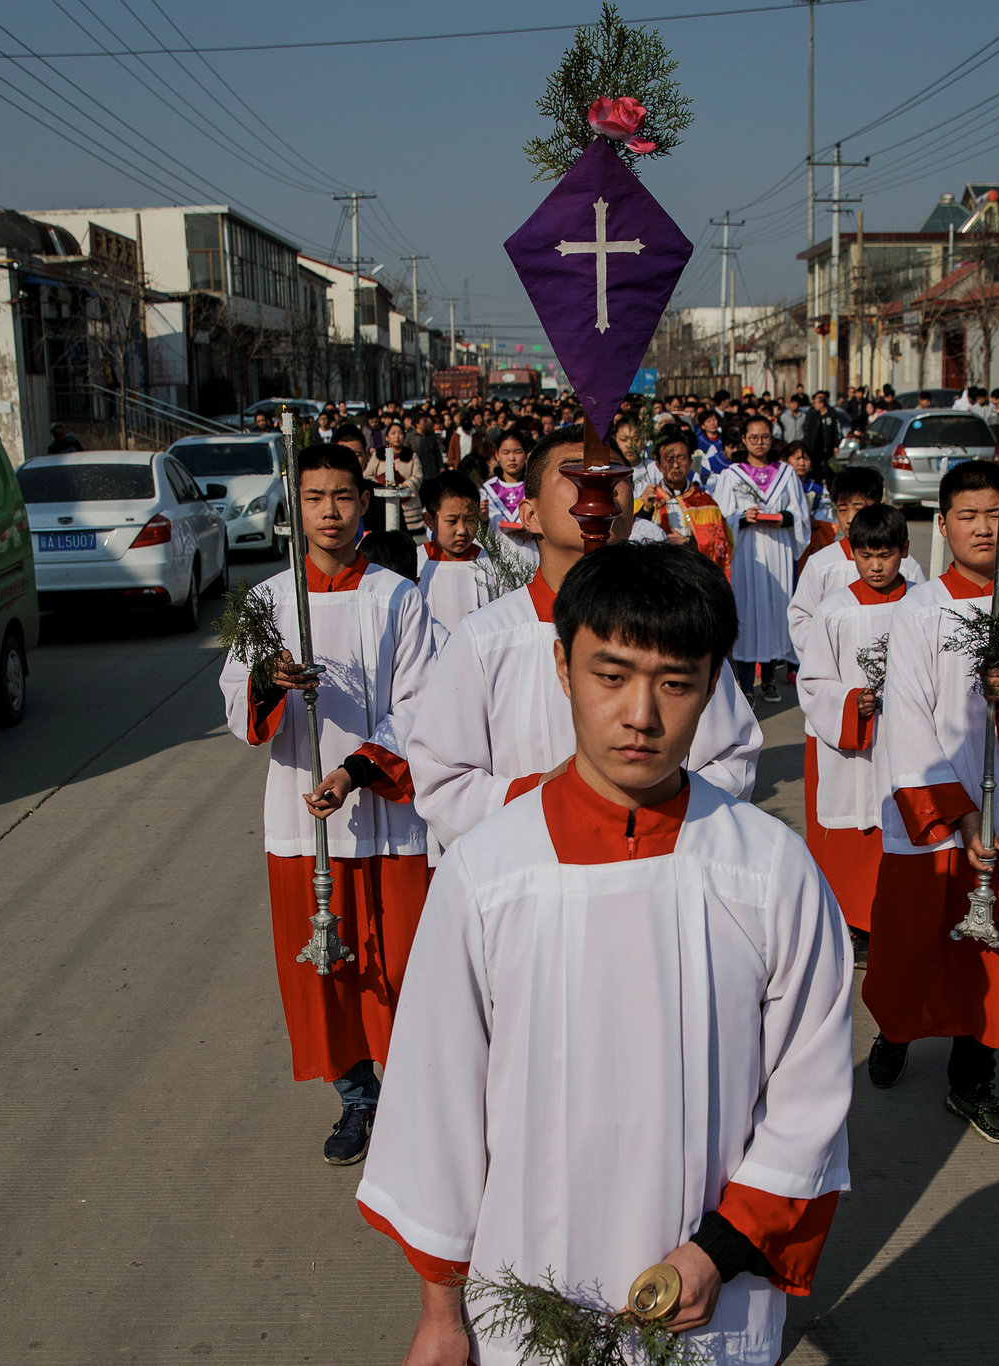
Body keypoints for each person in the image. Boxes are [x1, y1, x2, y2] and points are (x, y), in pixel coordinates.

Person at [360, 542, 853, 1366]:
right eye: (611, 674)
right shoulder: (487, 873)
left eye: (675, 682)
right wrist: (441, 1317)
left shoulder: (768, 871)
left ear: (711, 689)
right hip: (525, 1298)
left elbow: (810, 1097)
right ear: (562, 667)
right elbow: (436, 1106)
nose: (641, 716)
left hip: (705, 1297)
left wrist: (717, 1253)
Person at [217, 443, 440, 1166]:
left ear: (363, 501)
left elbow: (421, 706)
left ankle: (413, 1101)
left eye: (343, 496)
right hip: (300, 822)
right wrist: (270, 680)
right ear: (297, 506)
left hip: (383, 819)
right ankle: (356, 1099)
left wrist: (352, 771)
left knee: (399, 966)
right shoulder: (270, 602)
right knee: (324, 974)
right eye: (315, 498)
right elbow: (233, 706)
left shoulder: (397, 598)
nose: (330, 512)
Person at [862, 459, 999, 1145]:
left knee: (991, 957)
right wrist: (959, 813)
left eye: (994, 514)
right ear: (945, 525)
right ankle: (898, 1032)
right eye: (968, 516)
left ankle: (971, 1079)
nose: (984, 528)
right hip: (934, 821)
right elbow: (905, 720)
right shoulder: (921, 611)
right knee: (909, 946)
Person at [406, 426, 762, 853]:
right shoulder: (486, 638)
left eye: (615, 477)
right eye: (575, 475)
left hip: (658, 867)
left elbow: (732, 757)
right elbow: (443, 781)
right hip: (533, 877)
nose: (599, 487)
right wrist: (546, 794)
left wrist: (652, 806)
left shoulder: (673, 622)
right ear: (530, 515)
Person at [794, 503, 915, 962]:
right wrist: (850, 703)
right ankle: (851, 923)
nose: (877, 566)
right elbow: (812, 681)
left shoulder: (922, 606)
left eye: (885, 554)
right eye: (866, 555)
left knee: (900, 827)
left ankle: (895, 920)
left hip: (905, 740)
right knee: (852, 832)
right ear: (853, 553)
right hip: (853, 742)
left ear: (904, 550)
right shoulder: (835, 610)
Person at [710, 415, 809, 704]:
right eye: (753, 438)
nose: (759, 443)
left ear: (771, 438)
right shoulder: (732, 475)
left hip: (776, 548)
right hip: (746, 552)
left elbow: (800, 513)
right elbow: (720, 517)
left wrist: (785, 518)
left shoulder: (786, 473)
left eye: (765, 437)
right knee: (747, 612)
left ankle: (768, 680)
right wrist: (741, 518)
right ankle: (746, 683)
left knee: (773, 612)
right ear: (744, 440)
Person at [788, 464, 923, 656]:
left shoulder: (907, 566)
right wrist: (830, 650)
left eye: (859, 508)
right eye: (843, 510)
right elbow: (801, 617)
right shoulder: (821, 564)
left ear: (879, 504)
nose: (851, 518)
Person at [635, 426, 733, 577]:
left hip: (693, 575)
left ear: (690, 461)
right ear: (659, 465)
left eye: (681, 458)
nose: (675, 466)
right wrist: (646, 509)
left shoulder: (705, 504)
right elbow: (633, 542)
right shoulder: (648, 499)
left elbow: (721, 546)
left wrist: (690, 543)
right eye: (669, 460)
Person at [416, 470, 492, 633]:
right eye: (452, 521)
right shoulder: (418, 563)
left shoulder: (488, 563)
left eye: (471, 520)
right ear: (430, 521)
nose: (462, 530)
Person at [479, 426, 539, 568]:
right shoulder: (487, 490)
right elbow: (480, 535)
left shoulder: (536, 488)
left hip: (531, 556)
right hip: (497, 560)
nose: (512, 458)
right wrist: (482, 519)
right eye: (506, 452)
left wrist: (534, 531)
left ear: (526, 455)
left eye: (517, 452)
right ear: (497, 455)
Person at [366, 422, 424, 536]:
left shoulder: (412, 455)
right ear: (387, 437)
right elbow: (367, 475)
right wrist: (381, 484)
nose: (397, 436)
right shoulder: (379, 455)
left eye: (400, 433)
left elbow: (418, 476)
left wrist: (402, 486)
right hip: (384, 504)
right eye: (393, 433)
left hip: (409, 506)